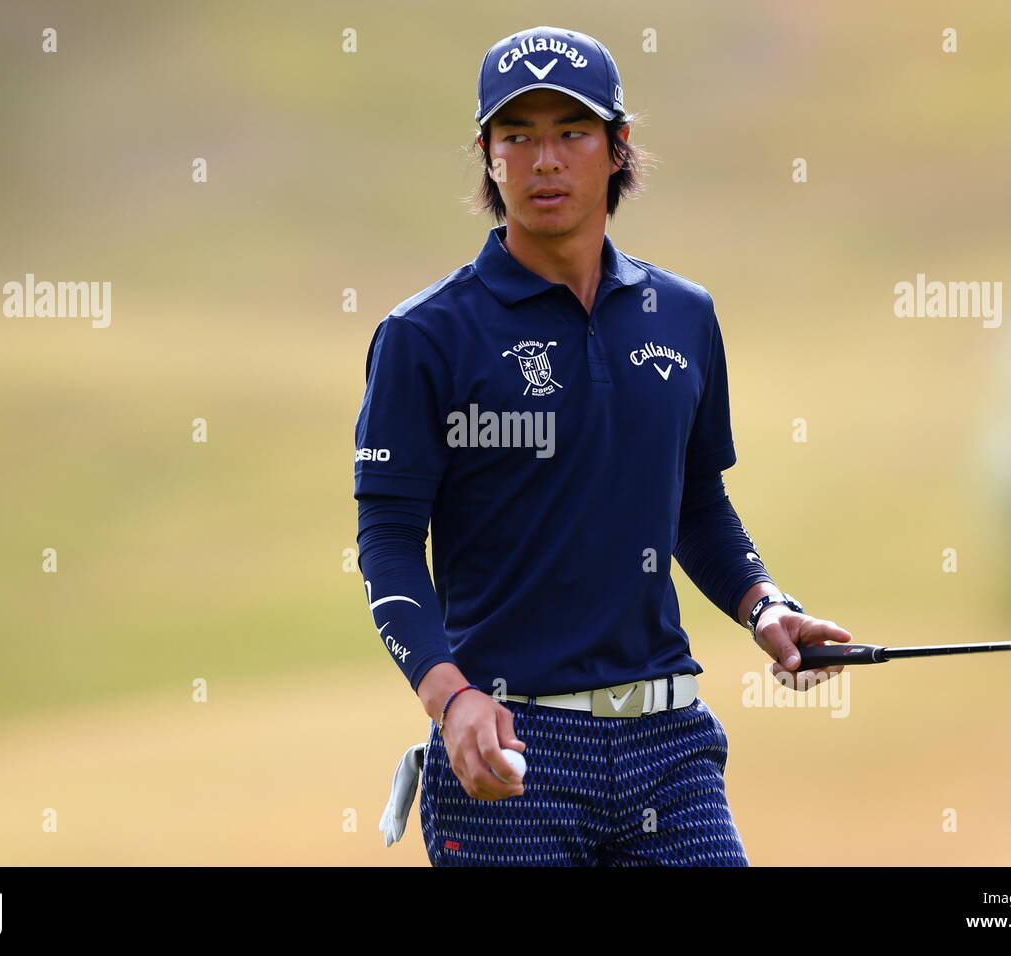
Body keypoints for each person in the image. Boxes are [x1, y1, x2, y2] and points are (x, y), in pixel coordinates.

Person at [355, 25, 853, 866]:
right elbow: (389, 541)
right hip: (511, 753)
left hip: (670, 745)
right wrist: (450, 701)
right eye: (518, 135)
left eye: (571, 133)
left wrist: (764, 605)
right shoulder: (424, 336)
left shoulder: (683, 314)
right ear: (488, 154)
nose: (544, 160)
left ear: (618, 149)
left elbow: (695, 503)